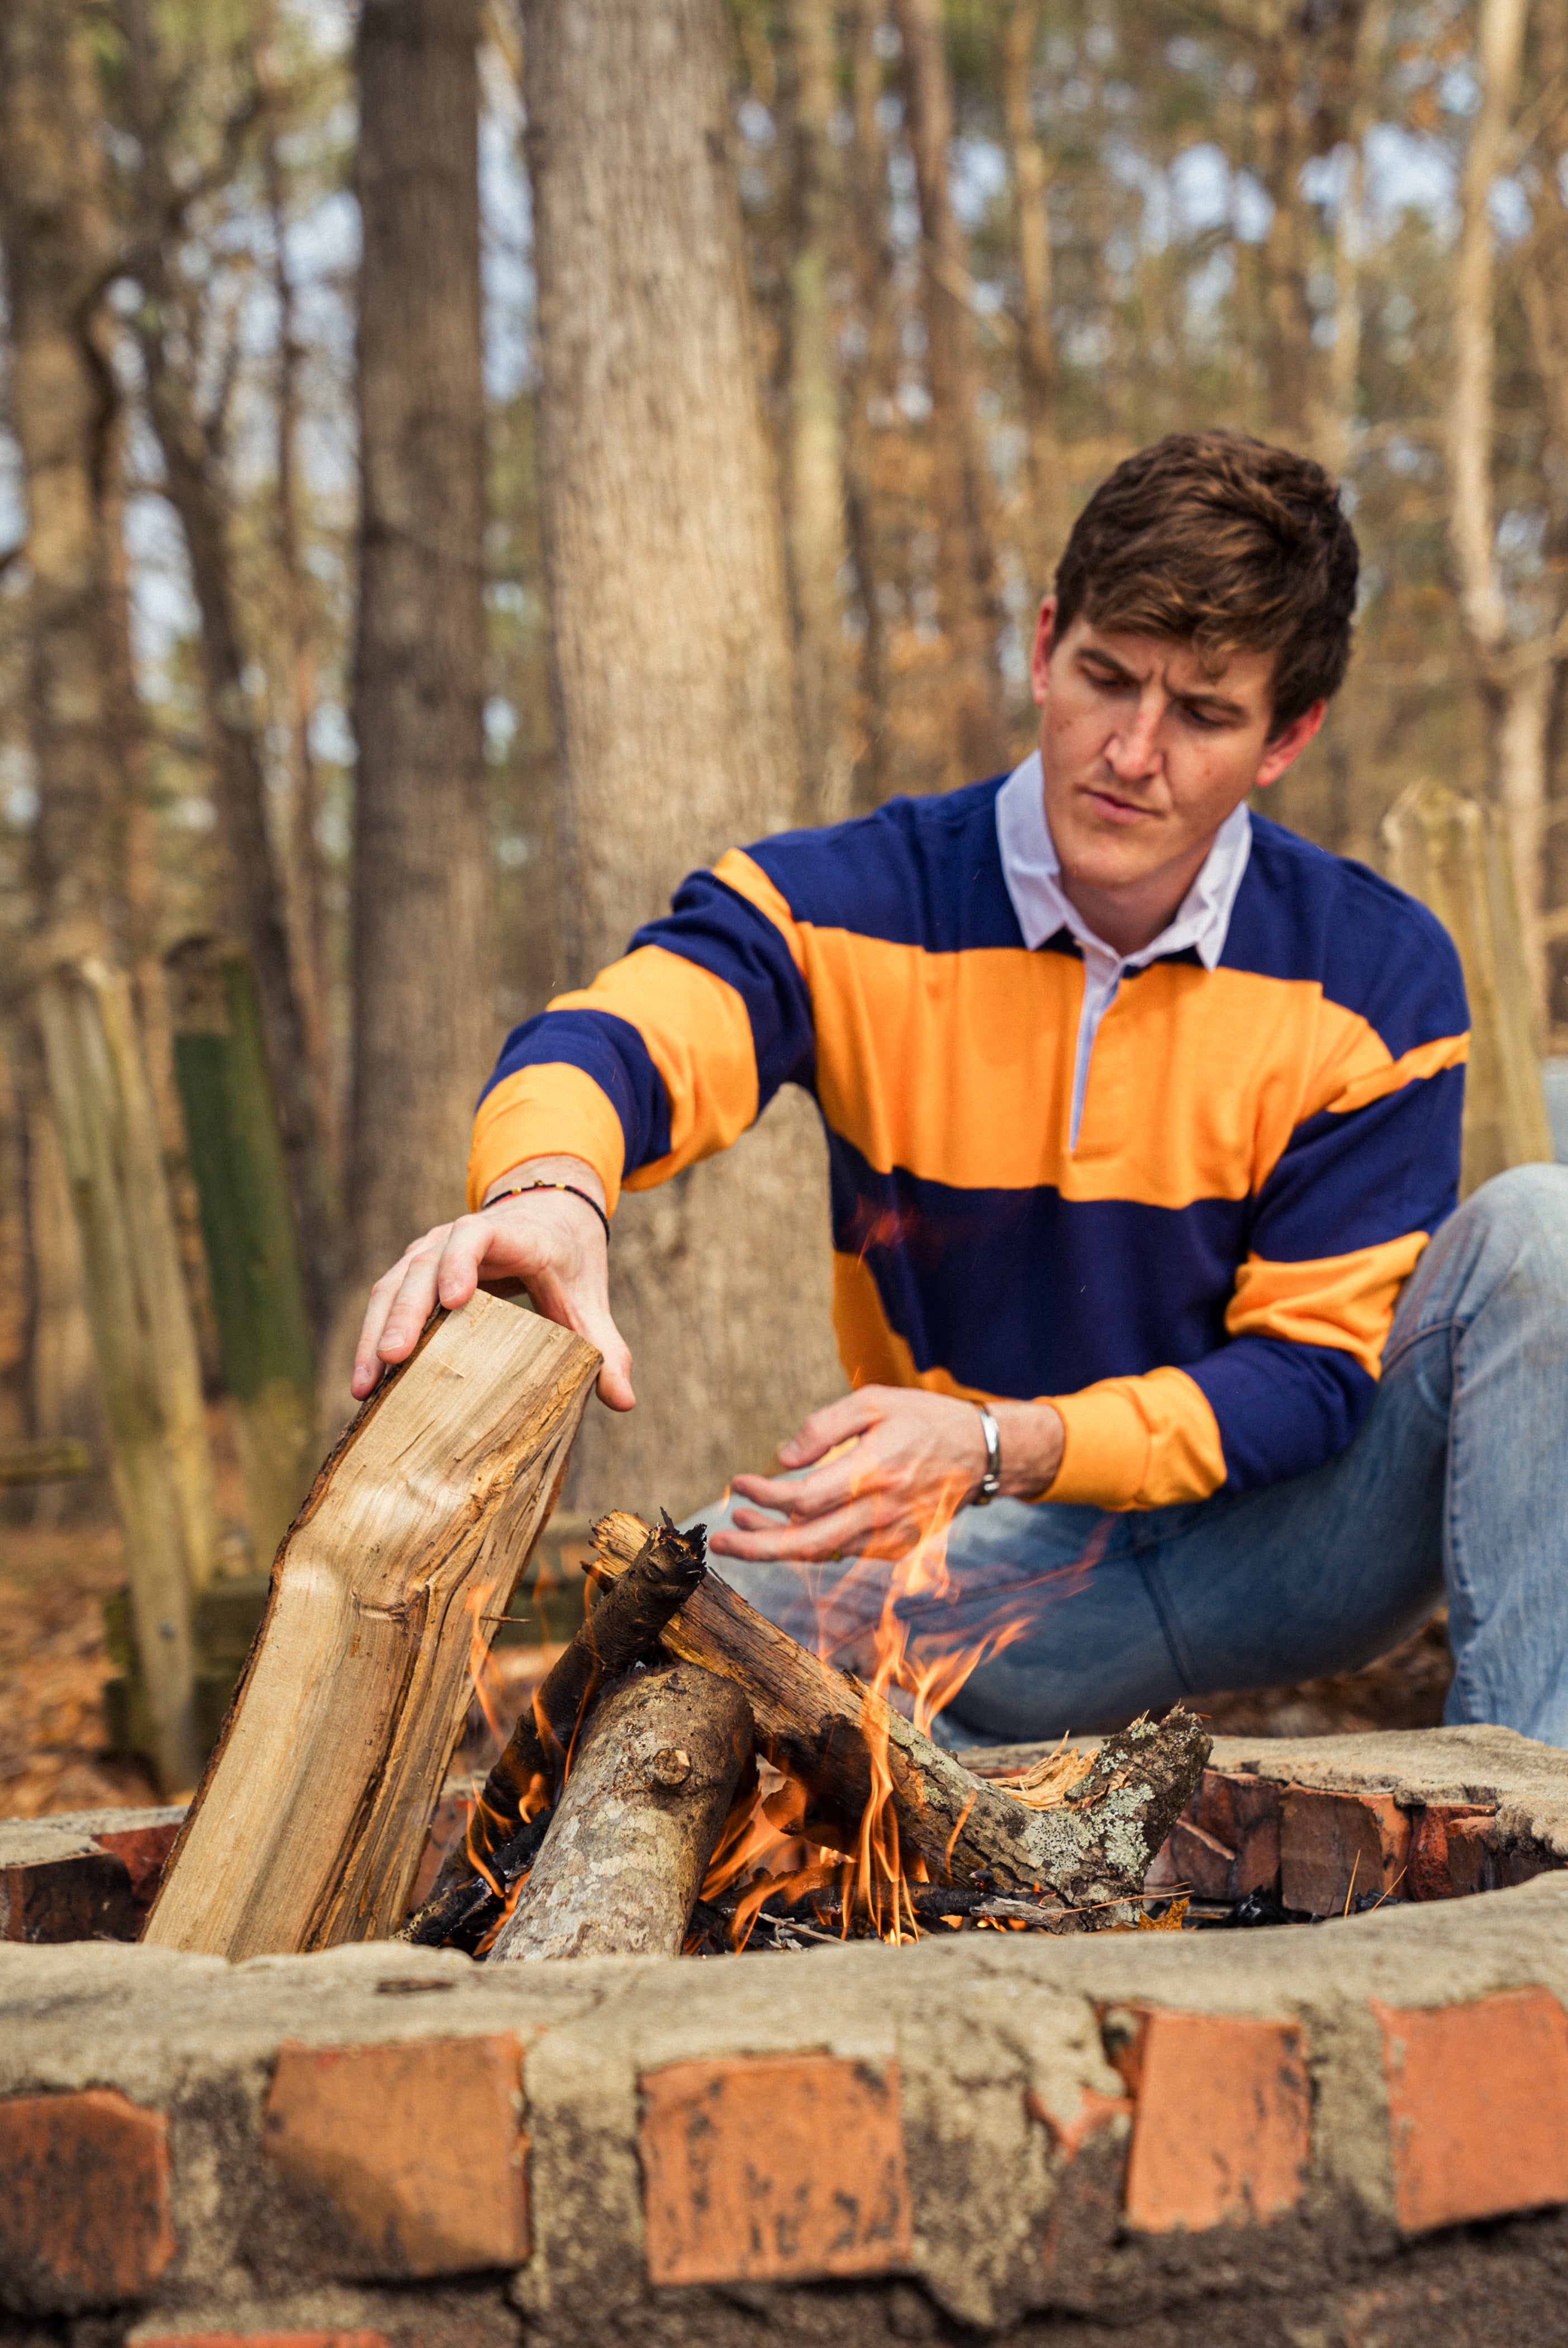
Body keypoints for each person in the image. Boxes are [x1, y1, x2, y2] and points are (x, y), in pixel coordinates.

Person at [353, 430, 1568, 1748]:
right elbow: (630, 1028)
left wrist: (1002, 1436)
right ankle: (954, 1801)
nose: (1133, 750)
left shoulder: (1371, 969)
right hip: (966, 1560)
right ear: (1045, 644)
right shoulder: (854, 900)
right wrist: (552, 1186)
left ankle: (1531, 1828)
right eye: (1104, 678)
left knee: (1541, 1235)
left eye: (1204, 714)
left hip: (1287, 1540)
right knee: (670, 1610)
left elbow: (1311, 1379)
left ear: (1286, 736)